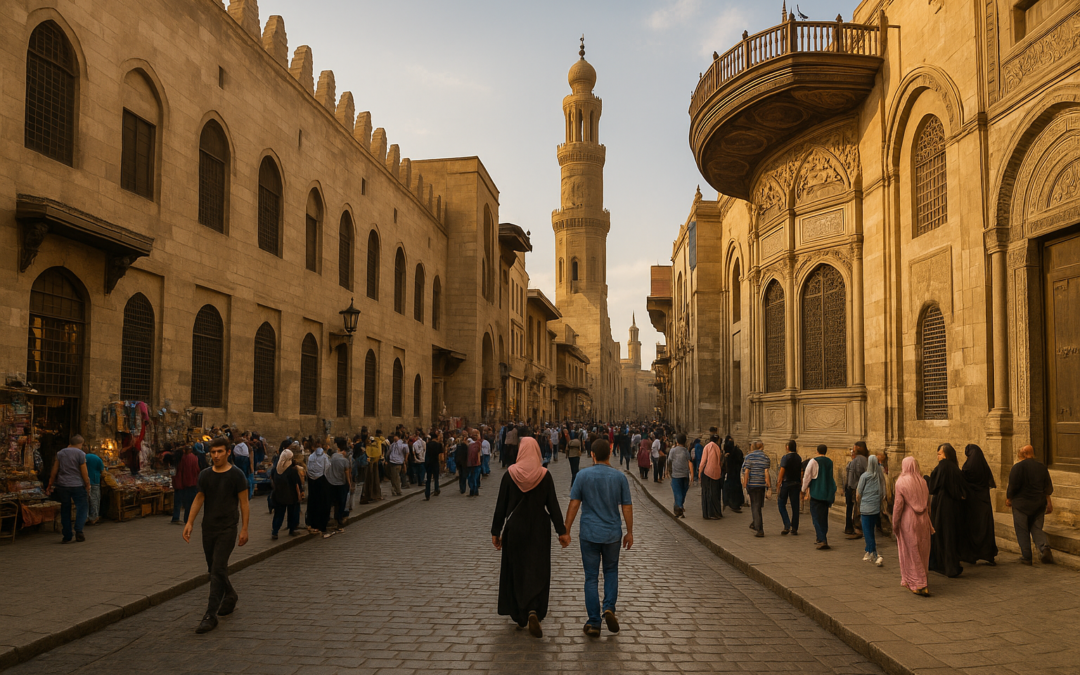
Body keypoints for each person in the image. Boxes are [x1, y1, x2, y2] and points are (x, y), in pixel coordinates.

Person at [491, 437, 569, 638]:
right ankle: (533, 608)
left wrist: (495, 532)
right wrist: (562, 531)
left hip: (515, 528)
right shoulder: (544, 475)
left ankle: (520, 612)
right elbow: (553, 505)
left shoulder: (510, 475)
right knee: (537, 568)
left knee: (516, 568)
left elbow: (501, 506)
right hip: (539, 528)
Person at [564, 439, 633, 638]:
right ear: (609, 454)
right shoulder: (619, 477)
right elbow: (627, 507)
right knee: (611, 571)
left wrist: (566, 530)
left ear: (592, 455)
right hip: (612, 534)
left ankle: (594, 621)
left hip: (589, 534)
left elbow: (574, 504)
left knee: (591, 577)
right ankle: (609, 607)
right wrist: (629, 531)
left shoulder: (582, 475)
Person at [182, 437, 249, 633]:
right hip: (208, 528)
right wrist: (189, 522)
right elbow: (199, 498)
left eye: (220, 452)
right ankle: (230, 594)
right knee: (214, 569)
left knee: (218, 567)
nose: (216, 456)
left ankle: (210, 615)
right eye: (213, 452)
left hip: (228, 528)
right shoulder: (205, 475)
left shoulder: (236, 475)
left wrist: (244, 528)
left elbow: (244, 503)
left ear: (228, 452)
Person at [1006, 445, 1055, 566]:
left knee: (1022, 530)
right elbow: (1048, 487)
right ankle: (1044, 547)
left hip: (1021, 504)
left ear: (1023, 454)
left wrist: (1009, 498)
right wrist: (1048, 502)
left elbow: (1013, 486)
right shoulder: (1042, 467)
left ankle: (1027, 557)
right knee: (1037, 528)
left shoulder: (1017, 467)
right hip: (1038, 503)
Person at [893, 456, 932, 596]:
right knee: (923, 551)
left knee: (911, 551)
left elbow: (898, 505)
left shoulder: (901, 482)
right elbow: (928, 504)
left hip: (909, 520)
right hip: (923, 520)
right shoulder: (923, 481)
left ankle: (918, 583)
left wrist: (895, 523)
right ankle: (921, 579)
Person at [928, 443, 967, 577]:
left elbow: (933, 486)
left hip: (942, 506)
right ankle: (953, 565)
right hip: (955, 507)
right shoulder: (955, 468)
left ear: (946, 455)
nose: (938, 457)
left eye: (939, 454)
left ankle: (944, 565)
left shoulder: (942, 467)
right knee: (952, 535)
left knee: (942, 535)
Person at [45, 435, 90, 543]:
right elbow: (84, 471)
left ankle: (67, 535)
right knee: (82, 507)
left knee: (65, 509)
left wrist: (50, 484)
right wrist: (87, 484)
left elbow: (54, 470)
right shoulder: (80, 454)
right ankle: (79, 530)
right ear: (81, 444)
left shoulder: (60, 453)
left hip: (63, 485)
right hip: (77, 485)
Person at [960, 444, 998, 566]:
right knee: (985, 529)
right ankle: (988, 554)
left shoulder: (967, 467)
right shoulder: (984, 467)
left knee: (972, 529)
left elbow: (963, 483)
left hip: (971, 504)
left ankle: (971, 555)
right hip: (984, 502)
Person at [802, 444, 836, 550]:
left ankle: (822, 539)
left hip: (816, 492)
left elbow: (807, 476)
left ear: (817, 451)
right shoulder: (829, 462)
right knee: (824, 517)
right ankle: (820, 537)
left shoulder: (813, 461)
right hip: (827, 492)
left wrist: (803, 489)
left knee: (816, 517)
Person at [857, 455, 886, 566]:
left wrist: (859, 502)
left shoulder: (865, 476)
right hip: (875, 508)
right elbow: (883, 494)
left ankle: (875, 553)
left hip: (865, 507)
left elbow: (859, 492)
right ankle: (868, 551)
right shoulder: (880, 477)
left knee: (867, 531)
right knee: (871, 530)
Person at [271, 447, 303, 539]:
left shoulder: (275, 469)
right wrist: (299, 495)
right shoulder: (292, 471)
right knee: (292, 513)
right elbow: (296, 484)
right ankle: (292, 529)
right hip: (291, 496)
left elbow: (272, 480)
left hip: (278, 495)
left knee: (278, 514)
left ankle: (275, 531)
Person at [742, 441, 771, 537]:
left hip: (752, 484)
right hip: (761, 485)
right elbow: (766, 472)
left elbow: (746, 471)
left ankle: (759, 529)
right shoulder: (766, 458)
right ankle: (755, 523)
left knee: (755, 506)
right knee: (758, 505)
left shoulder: (749, 457)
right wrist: (769, 486)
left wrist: (745, 484)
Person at [326, 439, 352, 534]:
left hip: (331, 482)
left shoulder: (332, 458)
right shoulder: (345, 461)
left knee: (333, 501)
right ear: (344, 451)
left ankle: (329, 517)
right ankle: (339, 517)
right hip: (341, 483)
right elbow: (347, 474)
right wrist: (349, 483)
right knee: (341, 501)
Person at [305, 445, 333, 535]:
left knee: (313, 502)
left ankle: (312, 523)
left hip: (312, 482)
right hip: (322, 481)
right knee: (323, 502)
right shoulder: (324, 457)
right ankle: (322, 525)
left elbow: (308, 468)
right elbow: (327, 467)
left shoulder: (311, 457)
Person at [776, 440, 801, 535]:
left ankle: (787, 524)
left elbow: (782, 471)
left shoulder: (786, 458)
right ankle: (794, 527)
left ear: (787, 447)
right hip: (796, 483)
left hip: (786, 483)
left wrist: (778, 483)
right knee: (795, 506)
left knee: (781, 503)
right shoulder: (798, 458)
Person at [171, 445, 201, 526]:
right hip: (191, 483)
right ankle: (187, 519)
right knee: (189, 503)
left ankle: (176, 517)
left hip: (180, 483)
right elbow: (197, 470)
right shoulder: (193, 458)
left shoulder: (179, 458)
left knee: (178, 501)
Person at [844, 443, 868, 539]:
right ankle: (851, 528)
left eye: (854, 449)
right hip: (852, 487)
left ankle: (858, 529)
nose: (852, 451)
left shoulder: (861, 460)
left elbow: (861, 474)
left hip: (856, 488)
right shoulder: (857, 460)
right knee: (852, 508)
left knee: (857, 509)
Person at [667, 433, 692, 519]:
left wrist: (667, 472)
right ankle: (679, 508)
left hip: (676, 475)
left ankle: (679, 507)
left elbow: (669, 461)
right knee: (682, 492)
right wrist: (691, 474)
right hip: (685, 474)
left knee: (678, 492)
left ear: (677, 441)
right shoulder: (686, 451)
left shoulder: (673, 450)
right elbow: (689, 461)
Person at [698, 437, 723, 519]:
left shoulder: (707, 446)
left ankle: (708, 513)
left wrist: (700, 471)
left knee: (707, 493)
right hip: (717, 473)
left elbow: (703, 461)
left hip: (707, 473)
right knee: (715, 493)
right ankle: (716, 512)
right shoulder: (717, 448)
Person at [360, 432, 384, 504]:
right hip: (372, 465)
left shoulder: (368, 448)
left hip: (370, 465)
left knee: (369, 480)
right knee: (373, 479)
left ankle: (368, 495)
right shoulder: (375, 447)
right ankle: (373, 495)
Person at [722, 439, 744, 513]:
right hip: (736, 474)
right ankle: (736, 503)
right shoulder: (737, 451)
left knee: (731, 489)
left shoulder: (730, 454)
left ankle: (732, 504)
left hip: (731, 474)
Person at [85, 444, 105, 525]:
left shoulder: (83, 457)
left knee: (85, 500)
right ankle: (94, 517)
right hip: (94, 480)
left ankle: (85, 517)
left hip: (84, 481)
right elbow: (102, 470)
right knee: (94, 499)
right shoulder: (97, 459)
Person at [424, 431, 444, 500]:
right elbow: (440, 455)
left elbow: (426, 454)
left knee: (428, 479)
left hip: (429, 462)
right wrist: (441, 463)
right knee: (436, 477)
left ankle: (427, 494)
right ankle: (436, 489)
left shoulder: (428, 444)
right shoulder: (439, 445)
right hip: (435, 462)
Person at [467, 429, 483, 496]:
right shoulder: (470, 443)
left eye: (475, 435)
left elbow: (478, 453)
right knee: (472, 478)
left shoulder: (477, 443)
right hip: (471, 463)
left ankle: (473, 491)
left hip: (475, 463)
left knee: (473, 478)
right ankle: (474, 491)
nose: (474, 436)